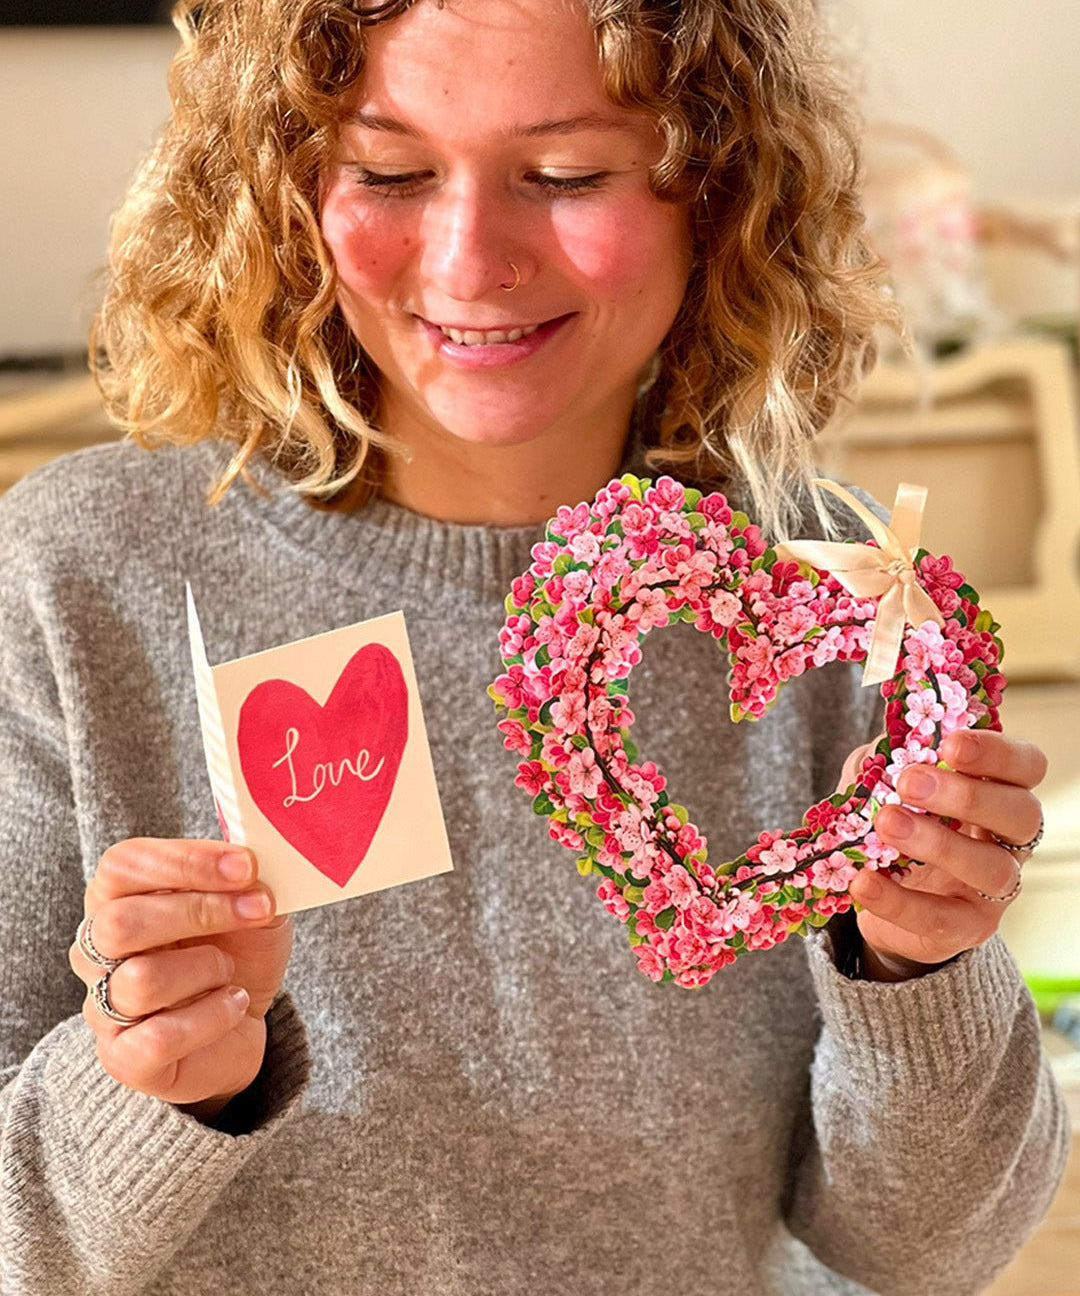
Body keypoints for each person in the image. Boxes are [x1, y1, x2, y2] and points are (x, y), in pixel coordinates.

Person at [0, 1, 1068, 1292]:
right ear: (284, 190)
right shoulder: (78, 575)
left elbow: (927, 1251)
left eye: (563, 176)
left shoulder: (831, 599)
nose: (468, 260)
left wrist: (915, 969)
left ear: (712, 195)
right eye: (389, 173)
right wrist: (150, 1084)